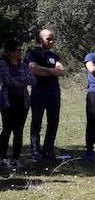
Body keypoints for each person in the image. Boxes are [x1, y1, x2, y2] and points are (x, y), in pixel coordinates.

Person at [25, 29, 65, 161]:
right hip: (39, 91)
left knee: (53, 122)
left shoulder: (55, 55)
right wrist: (52, 71)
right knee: (37, 121)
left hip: (54, 92)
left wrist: (44, 70)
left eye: (53, 38)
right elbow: (32, 69)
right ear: (40, 39)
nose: (52, 41)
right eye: (49, 39)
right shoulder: (32, 53)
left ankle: (49, 150)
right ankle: (35, 150)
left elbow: (61, 71)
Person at [0, 40, 36, 168]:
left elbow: (32, 79)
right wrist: (21, 81)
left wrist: (17, 80)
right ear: (9, 52)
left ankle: (16, 158)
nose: (19, 52)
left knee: (18, 131)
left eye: (20, 50)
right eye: (17, 50)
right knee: (6, 130)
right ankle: (3, 158)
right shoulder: (3, 64)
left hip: (22, 101)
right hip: (8, 101)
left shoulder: (24, 65)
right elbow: (6, 79)